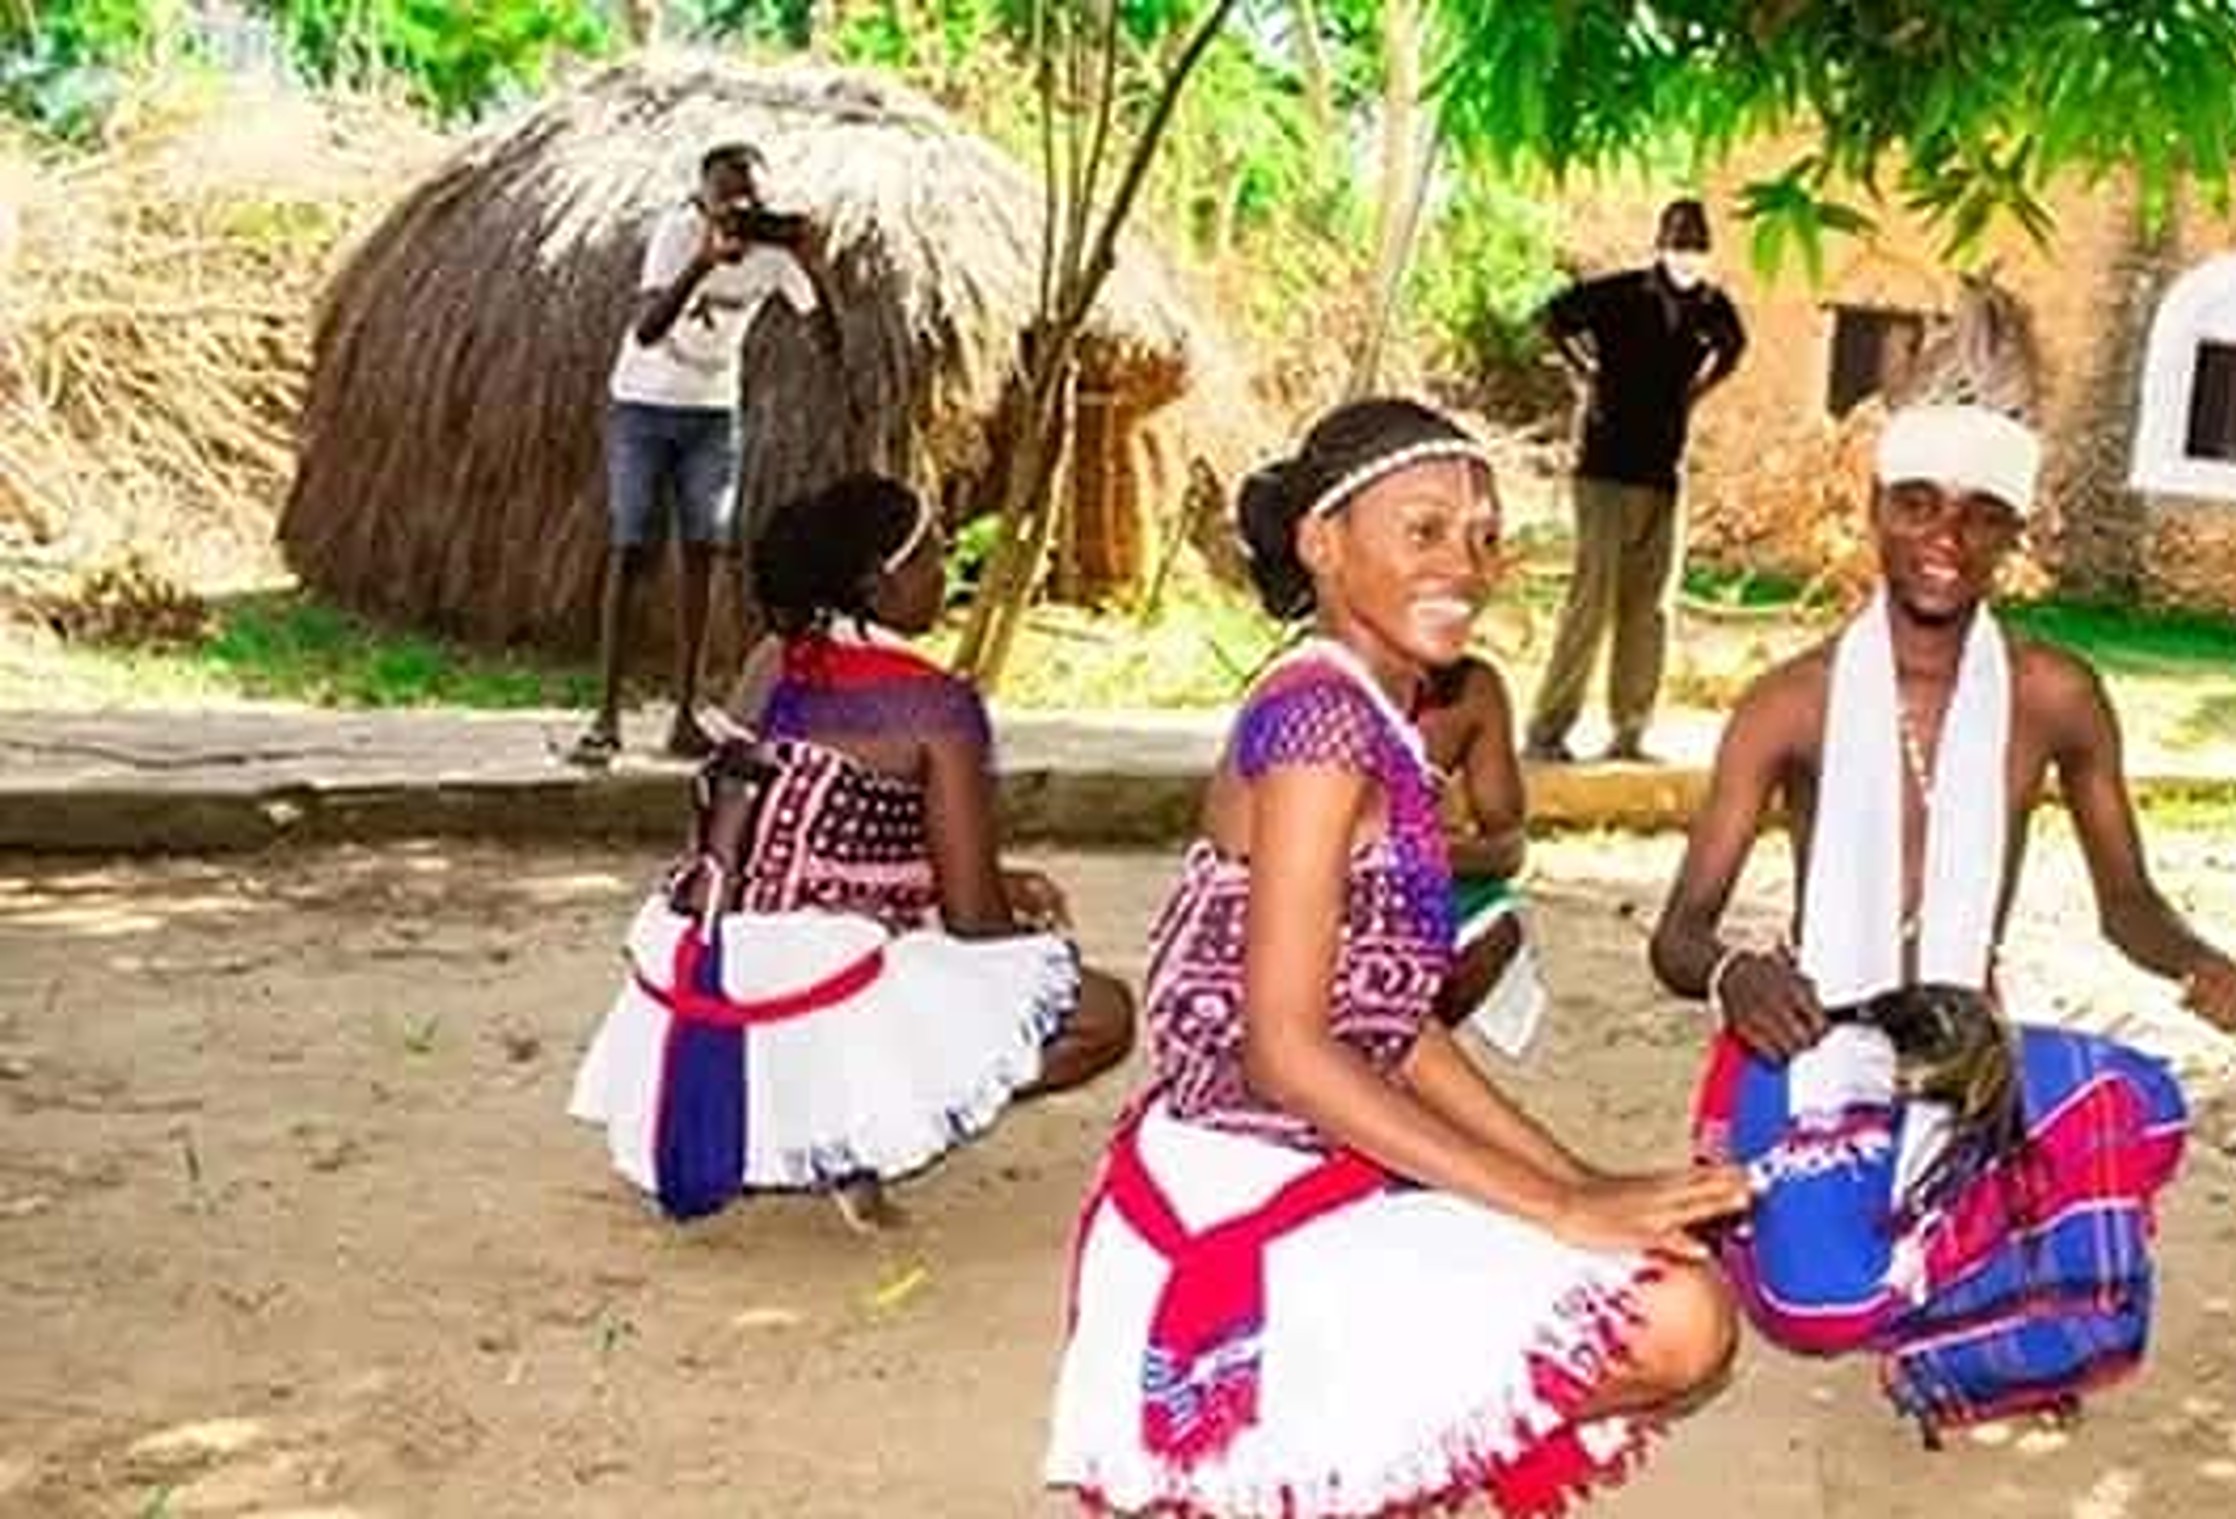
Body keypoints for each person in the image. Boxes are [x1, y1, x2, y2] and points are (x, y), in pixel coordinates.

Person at [1043, 399, 1747, 1517]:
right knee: (1676, 1314)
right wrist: (1558, 1211)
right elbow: (1284, 1049)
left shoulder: (1369, 716)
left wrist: (1576, 1181)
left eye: (1480, 535)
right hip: (1243, 1186)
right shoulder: (1320, 721)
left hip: (1311, 1162)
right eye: (1422, 530)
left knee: (1657, 1290)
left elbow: (1393, 1024)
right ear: (1325, 545)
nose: (1464, 563)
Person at [1647, 403, 2236, 1440]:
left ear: (2012, 540)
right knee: (1818, 1309)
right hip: (1815, 1038)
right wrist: (1734, 978)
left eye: (1981, 517)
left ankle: (1944, 1261)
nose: (1945, 537)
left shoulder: (2054, 695)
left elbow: (2127, 905)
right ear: (1875, 515)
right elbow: (1679, 933)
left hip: (1962, 1050)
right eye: (1919, 506)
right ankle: (1966, 1279)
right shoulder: (1789, 703)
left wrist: (2195, 959)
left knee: (2139, 1105)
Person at [567, 474, 1133, 1228]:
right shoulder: (934, 704)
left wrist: (979, 885)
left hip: (694, 987)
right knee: (1100, 1013)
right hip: (805, 992)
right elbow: (974, 924)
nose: (942, 572)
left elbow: (782, 835)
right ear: (879, 582)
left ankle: (828, 1121)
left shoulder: (774, 660)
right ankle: (861, 1131)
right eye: (927, 556)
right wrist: (1028, 946)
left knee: (897, 957)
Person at [570, 141, 842, 768]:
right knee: (631, 552)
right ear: (704, 197)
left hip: (712, 416)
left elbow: (827, 340)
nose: (740, 206)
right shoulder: (678, 231)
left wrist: (812, 263)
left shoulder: (775, 256)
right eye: (727, 196)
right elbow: (646, 328)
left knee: (703, 556)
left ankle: (686, 715)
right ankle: (605, 719)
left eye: (752, 196)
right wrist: (703, 261)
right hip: (641, 403)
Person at [1525, 197, 1746, 765]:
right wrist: (1586, 373)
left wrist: (1698, 391)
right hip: (1604, 468)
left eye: (1697, 243)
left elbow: (1734, 349)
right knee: (1591, 599)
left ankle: (1630, 732)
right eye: (1680, 240)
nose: (1688, 252)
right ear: (1661, 242)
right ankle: (1548, 731)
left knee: (1649, 609)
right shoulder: (1619, 295)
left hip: (1662, 473)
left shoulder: (1711, 307)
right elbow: (1551, 318)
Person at [1415, 652, 1549, 1057]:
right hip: (1307, 906)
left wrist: (1421, 853)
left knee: (1495, 932)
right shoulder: (1308, 694)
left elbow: (1508, 848)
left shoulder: (1470, 688)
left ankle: (1391, 1071)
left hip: (1406, 886)